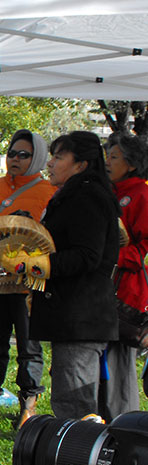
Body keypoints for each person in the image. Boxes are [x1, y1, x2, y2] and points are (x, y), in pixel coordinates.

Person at [22, 131, 120, 419]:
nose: (50, 163)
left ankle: (77, 460)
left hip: (82, 316)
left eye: (59, 157)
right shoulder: (73, 194)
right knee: (69, 398)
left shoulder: (88, 197)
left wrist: (36, 265)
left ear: (81, 164)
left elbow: (87, 255)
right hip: (71, 315)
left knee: (75, 406)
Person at [0, 129, 54, 428]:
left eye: (23, 155)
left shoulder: (49, 191)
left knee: (29, 345)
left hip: (28, 280)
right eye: (12, 153)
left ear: (38, 158)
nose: (15, 159)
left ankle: (28, 406)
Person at [99, 132, 148, 421]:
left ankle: (124, 421)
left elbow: (143, 245)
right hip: (102, 287)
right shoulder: (108, 191)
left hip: (125, 290)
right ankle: (102, 417)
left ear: (130, 163)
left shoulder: (140, 193)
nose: (108, 161)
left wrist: (113, 257)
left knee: (118, 360)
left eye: (114, 157)